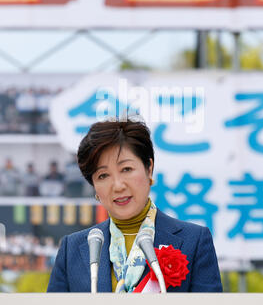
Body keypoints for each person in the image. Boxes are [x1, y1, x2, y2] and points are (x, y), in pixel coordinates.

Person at [47, 118, 223, 293]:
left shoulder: (194, 241)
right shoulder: (72, 249)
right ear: (94, 187)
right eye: (103, 176)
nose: (118, 185)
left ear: (149, 168)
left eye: (126, 169)